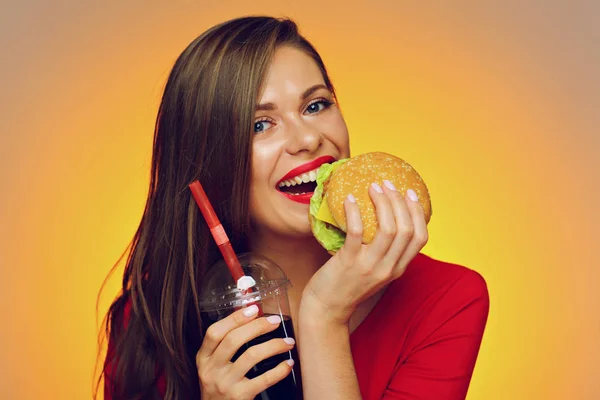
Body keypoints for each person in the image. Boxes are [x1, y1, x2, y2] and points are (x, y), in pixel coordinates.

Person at [97, 16, 489, 400]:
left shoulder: (447, 299)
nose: (307, 138)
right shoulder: (148, 319)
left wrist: (323, 318)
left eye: (316, 106)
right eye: (259, 125)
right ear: (209, 159)